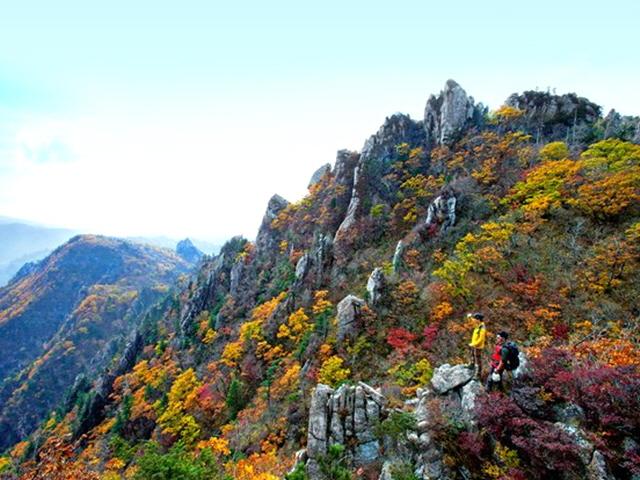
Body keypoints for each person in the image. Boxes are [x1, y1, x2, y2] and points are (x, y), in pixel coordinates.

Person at [467, 313, 486, 379]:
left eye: (475, 319)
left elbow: (481, 339)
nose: (474, 320)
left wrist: (474, 344)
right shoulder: (478, 324)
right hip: (474, 345)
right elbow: (471, 322)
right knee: (472, 355)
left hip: (478, 346)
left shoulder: (482, 328)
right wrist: (469, 317)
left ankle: (478, 374)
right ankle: (472, 364)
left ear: (478, 320)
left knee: (478, 360)